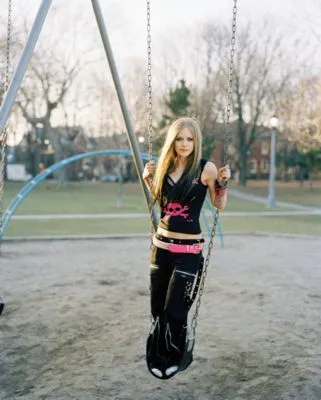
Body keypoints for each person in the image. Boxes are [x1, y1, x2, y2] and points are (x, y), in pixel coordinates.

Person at [143, 117, 231, 379]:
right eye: (179, 138)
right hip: (161, 248)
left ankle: (174, 355)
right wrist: (149, 179)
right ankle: (156, 354)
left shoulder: (206, 169)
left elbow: (219, 205)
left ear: (196, 142)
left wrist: (223, 183)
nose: (184, 144)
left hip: (188, 253)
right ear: (172, 140)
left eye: (189, 139)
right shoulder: (163, 167)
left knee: (175, 309)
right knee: (157, 308)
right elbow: (162, 201)